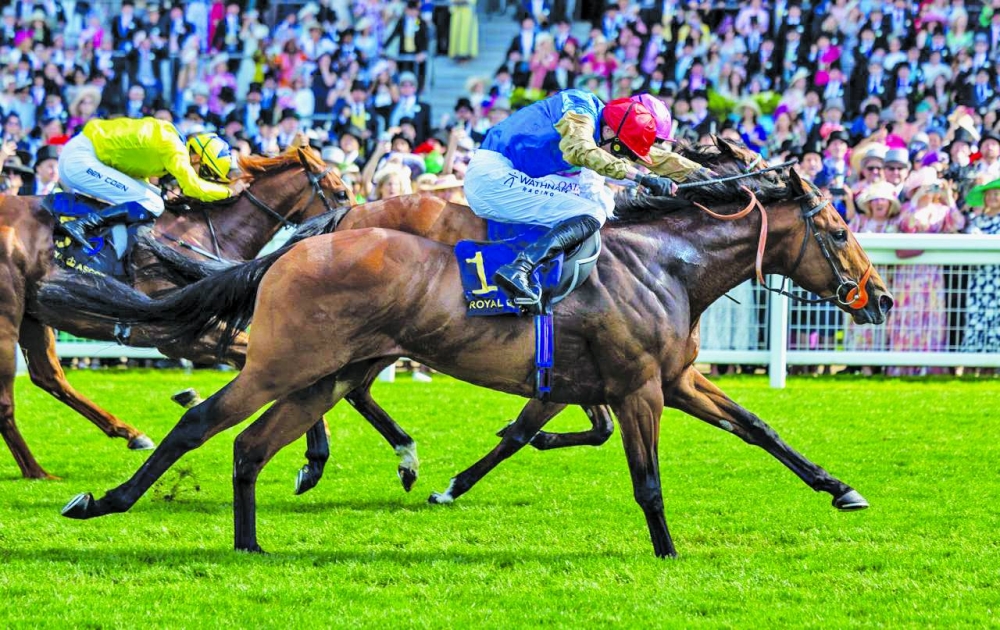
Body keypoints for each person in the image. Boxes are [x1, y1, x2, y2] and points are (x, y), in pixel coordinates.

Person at [465, 89, 703, 310]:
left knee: (598, 206)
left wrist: (707, 174)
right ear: (611, 130)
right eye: (622, 150)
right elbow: (581, 150)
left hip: (509, 173)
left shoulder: (607, 122)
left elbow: (656, 158)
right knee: (593, 212)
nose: (624, 157)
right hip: (493, 176)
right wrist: (643, 179)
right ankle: (520, 268)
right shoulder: (580, 110)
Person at [57, 117, 246, 248]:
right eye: (206, 173)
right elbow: (192, 187)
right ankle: (81, 225)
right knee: (153, 203)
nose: (204, 178)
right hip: (80, 160)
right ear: (196, 158)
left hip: (84, 154)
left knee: (155, 198)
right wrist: (230, 191)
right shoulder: (173, 148)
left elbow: (135, 171)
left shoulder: (171, 142)